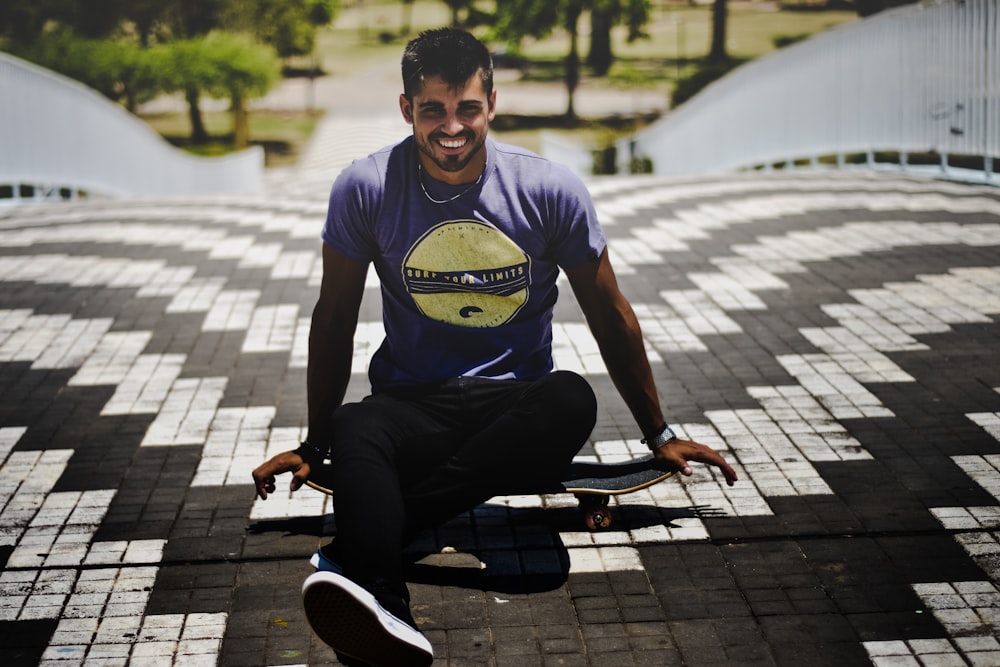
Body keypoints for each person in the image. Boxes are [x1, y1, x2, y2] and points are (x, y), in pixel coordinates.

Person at [252, 26, 738, 667]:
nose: (451, 127)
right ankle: (388, 613)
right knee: (356, 426)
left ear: (491, 104)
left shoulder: (547, 190)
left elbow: (609, 312)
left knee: (570, 398)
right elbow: (334, 315)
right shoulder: (366, 188)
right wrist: (317, 443)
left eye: (467, 109)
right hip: (413, 403)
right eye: (432, 110)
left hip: (516, 410)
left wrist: (658, 432)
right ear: (407, 110)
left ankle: (370, 539)